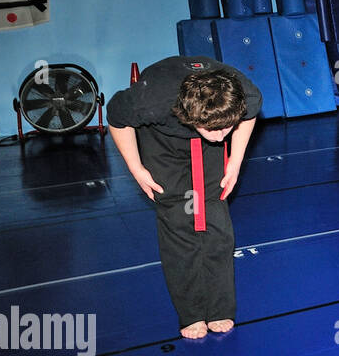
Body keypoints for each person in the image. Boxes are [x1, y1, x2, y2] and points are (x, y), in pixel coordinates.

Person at [108, 58, 260, 339]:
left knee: (216, 219)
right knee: (179, 217)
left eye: (226, 128)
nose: (220, 136)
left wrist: (235, 162)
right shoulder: (150, 102)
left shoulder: (244, 95)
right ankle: (191, 313)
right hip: (161, 140)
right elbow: (116, 118)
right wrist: (136, 167)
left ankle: (219, 308)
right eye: (214, 130)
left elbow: (246, 117)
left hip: (208, 121)